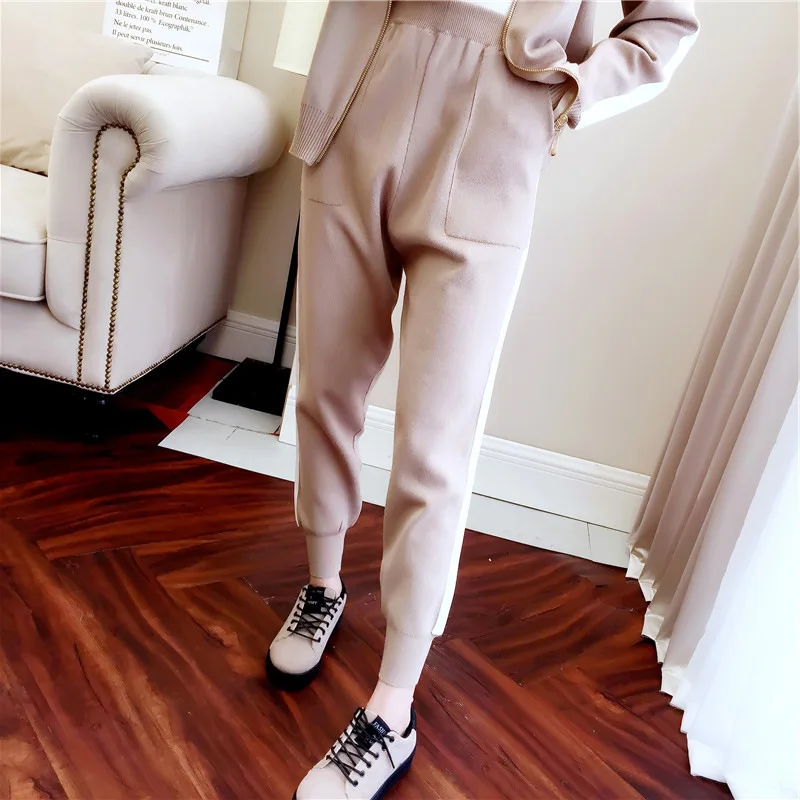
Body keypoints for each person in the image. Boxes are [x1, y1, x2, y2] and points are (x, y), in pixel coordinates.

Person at [267, 1, 699, 798]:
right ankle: (323, 586)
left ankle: (391, 709)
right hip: (367, 79)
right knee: (325, 385)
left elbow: (667, 23)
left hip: (498, 120)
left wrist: (579, 87)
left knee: (435, 444)